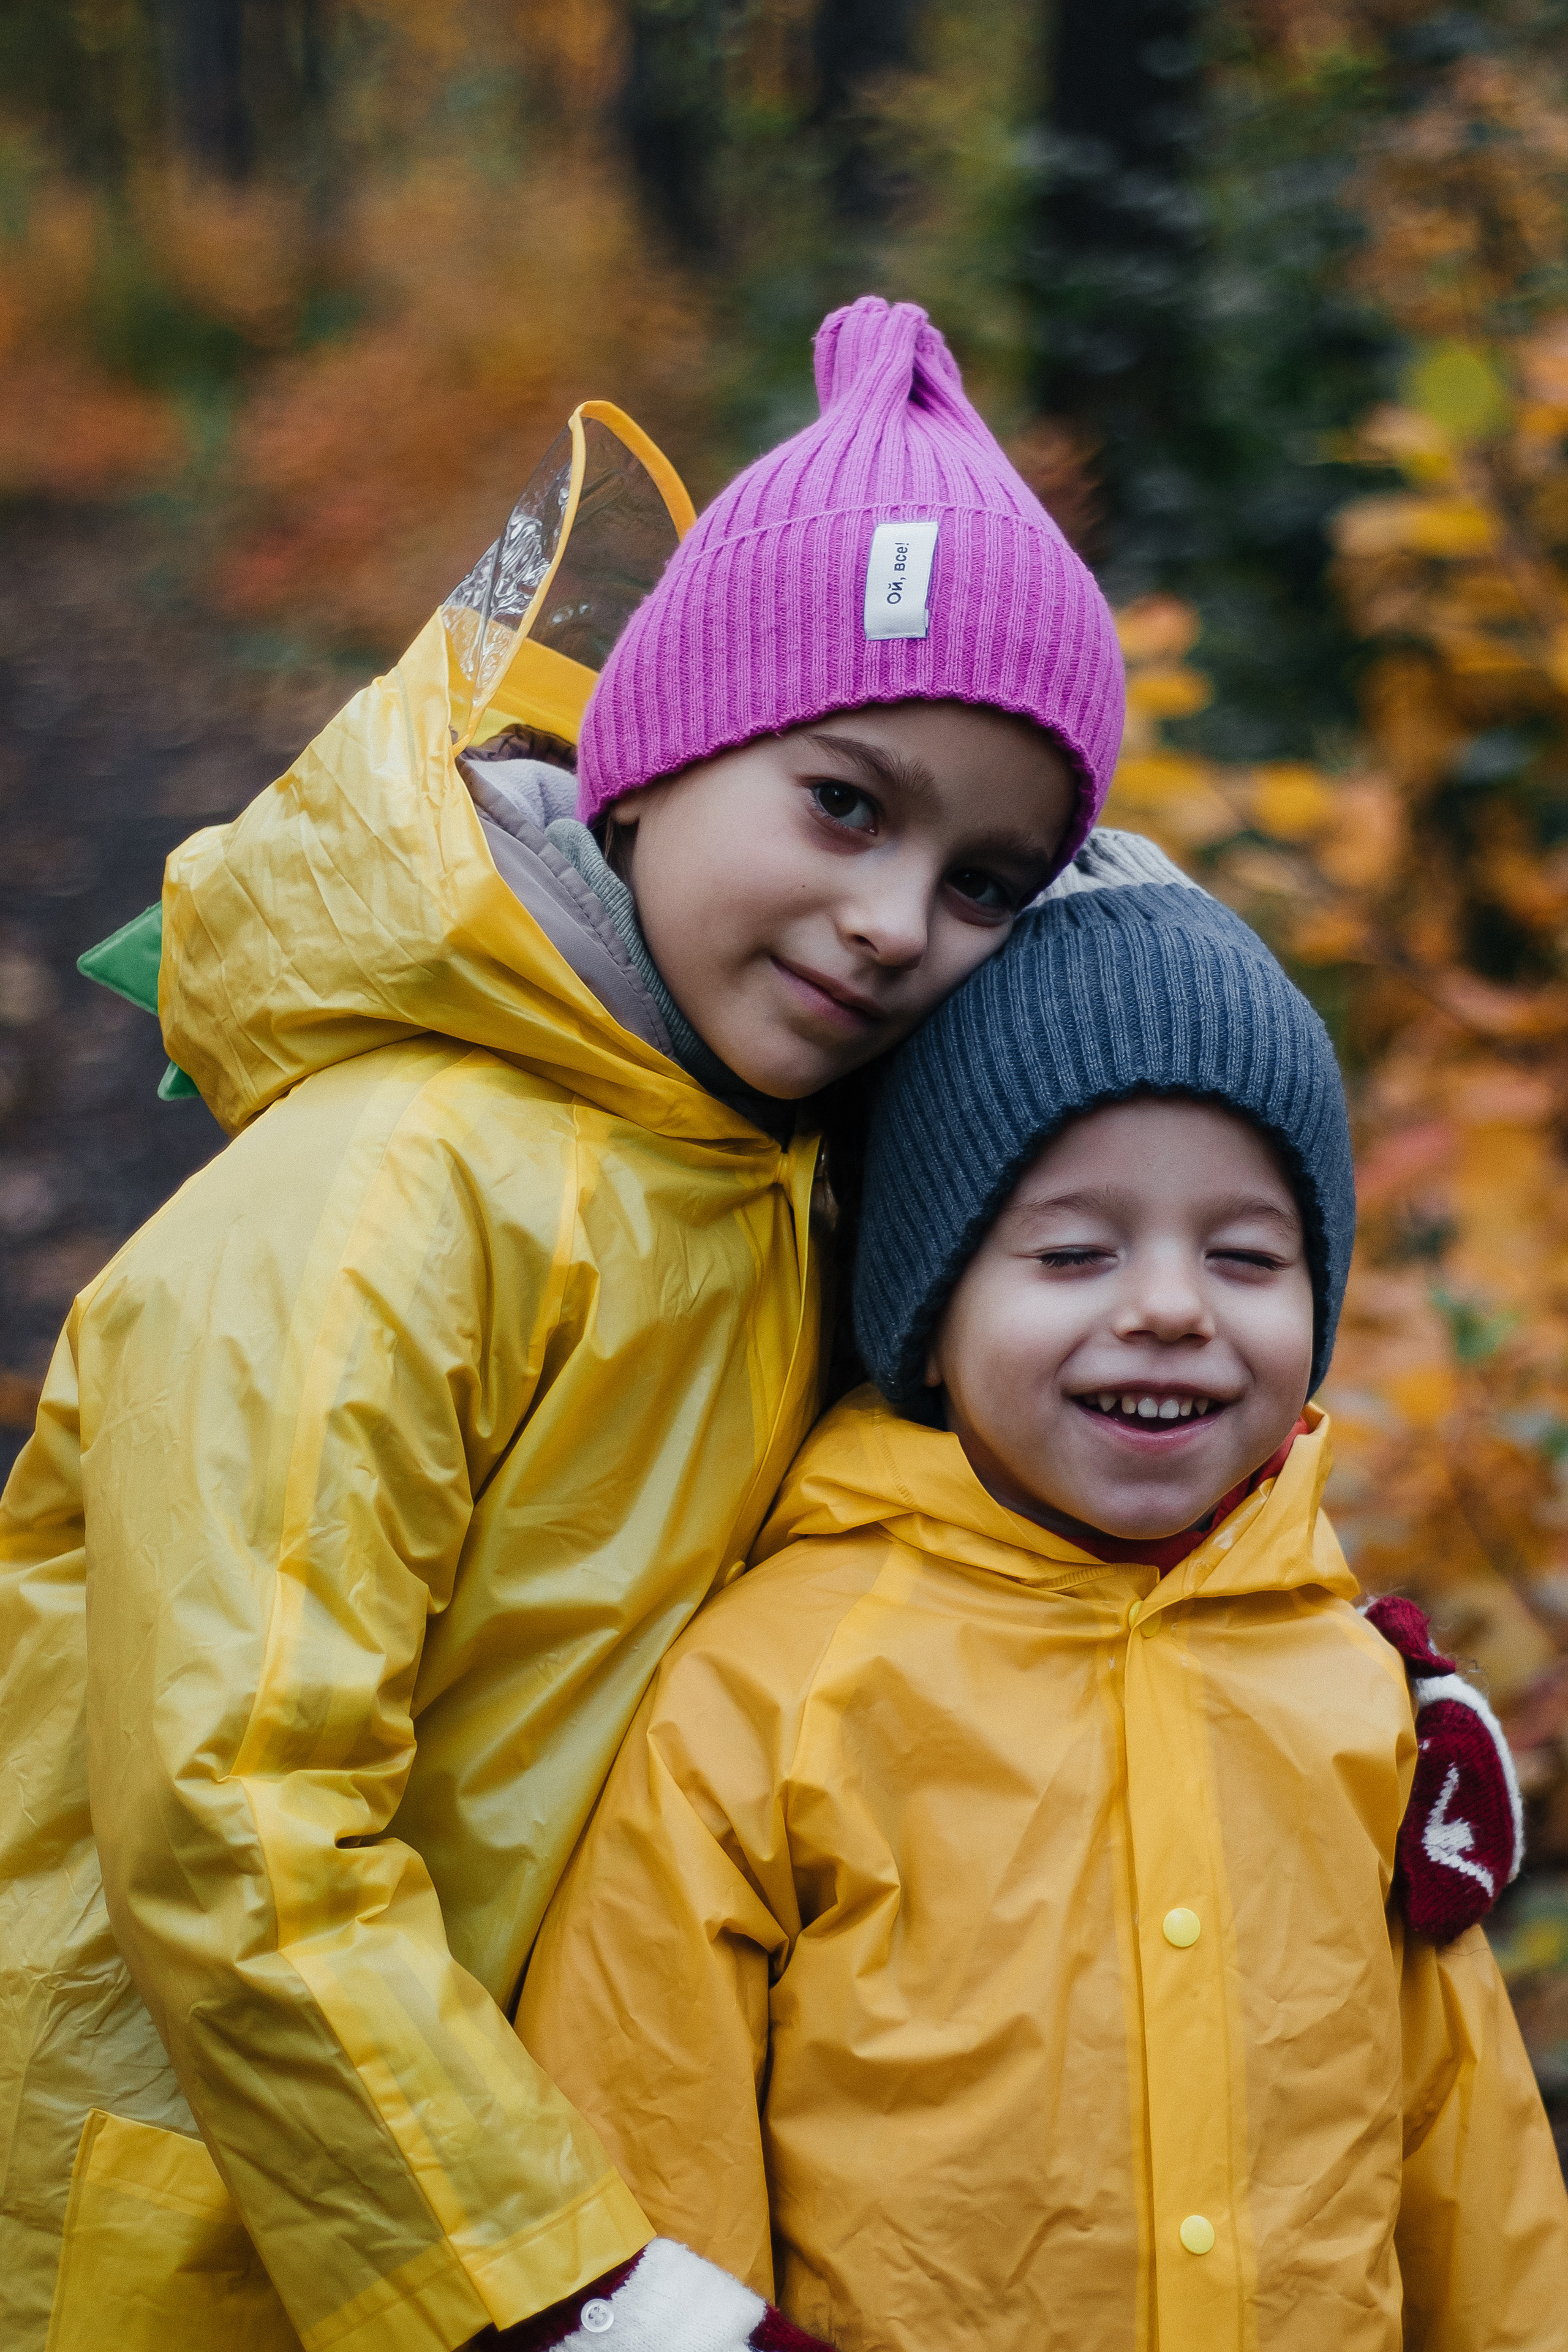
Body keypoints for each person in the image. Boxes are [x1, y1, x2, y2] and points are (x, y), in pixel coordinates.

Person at [0, 298, 1125, 2352]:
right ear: (659, 758)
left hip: (533, 2185)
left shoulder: (790, 1184)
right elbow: (233, 1816)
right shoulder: (383, 1201)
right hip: (216, 2231)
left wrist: (1310, 1702)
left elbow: (943, 1571)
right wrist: (554, 2283)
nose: (896, 922)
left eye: (986, 884)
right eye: (848, 805)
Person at [517, 854, 1568, 2351]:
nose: (1165, 1305)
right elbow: (642, 2111)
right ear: (928, 1322)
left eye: (1246, 1256)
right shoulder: (776, 1687)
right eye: (1071, 1251)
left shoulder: (1356, 1697)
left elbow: (1467, 2147)